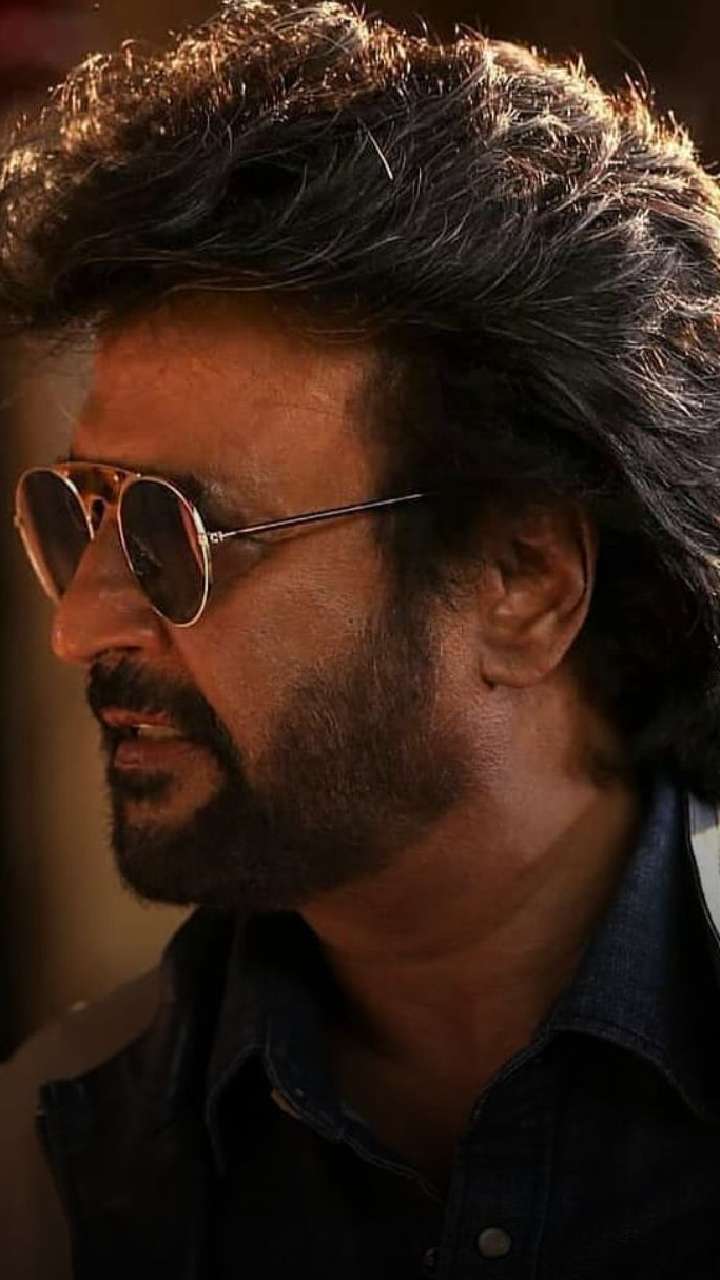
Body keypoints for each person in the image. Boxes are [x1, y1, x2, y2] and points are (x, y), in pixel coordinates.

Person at [3, 2, 720, 1275]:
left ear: (523, 580)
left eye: (178, 533)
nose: (80, 625)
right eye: (81, 512)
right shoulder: (61, 1154)